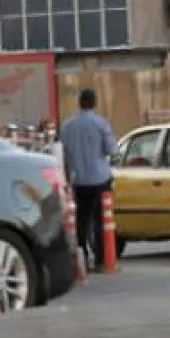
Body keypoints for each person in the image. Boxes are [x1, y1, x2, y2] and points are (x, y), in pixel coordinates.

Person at [60, 89, 118, 273]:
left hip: (78, 180)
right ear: (94, 102)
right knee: (100, 220)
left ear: (79, 102)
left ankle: (82, 258)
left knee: (81, 221)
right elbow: (111, 149)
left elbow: (63, 154)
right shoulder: (101, 124)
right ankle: (100, 260)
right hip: (100, 178)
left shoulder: (67, 126)